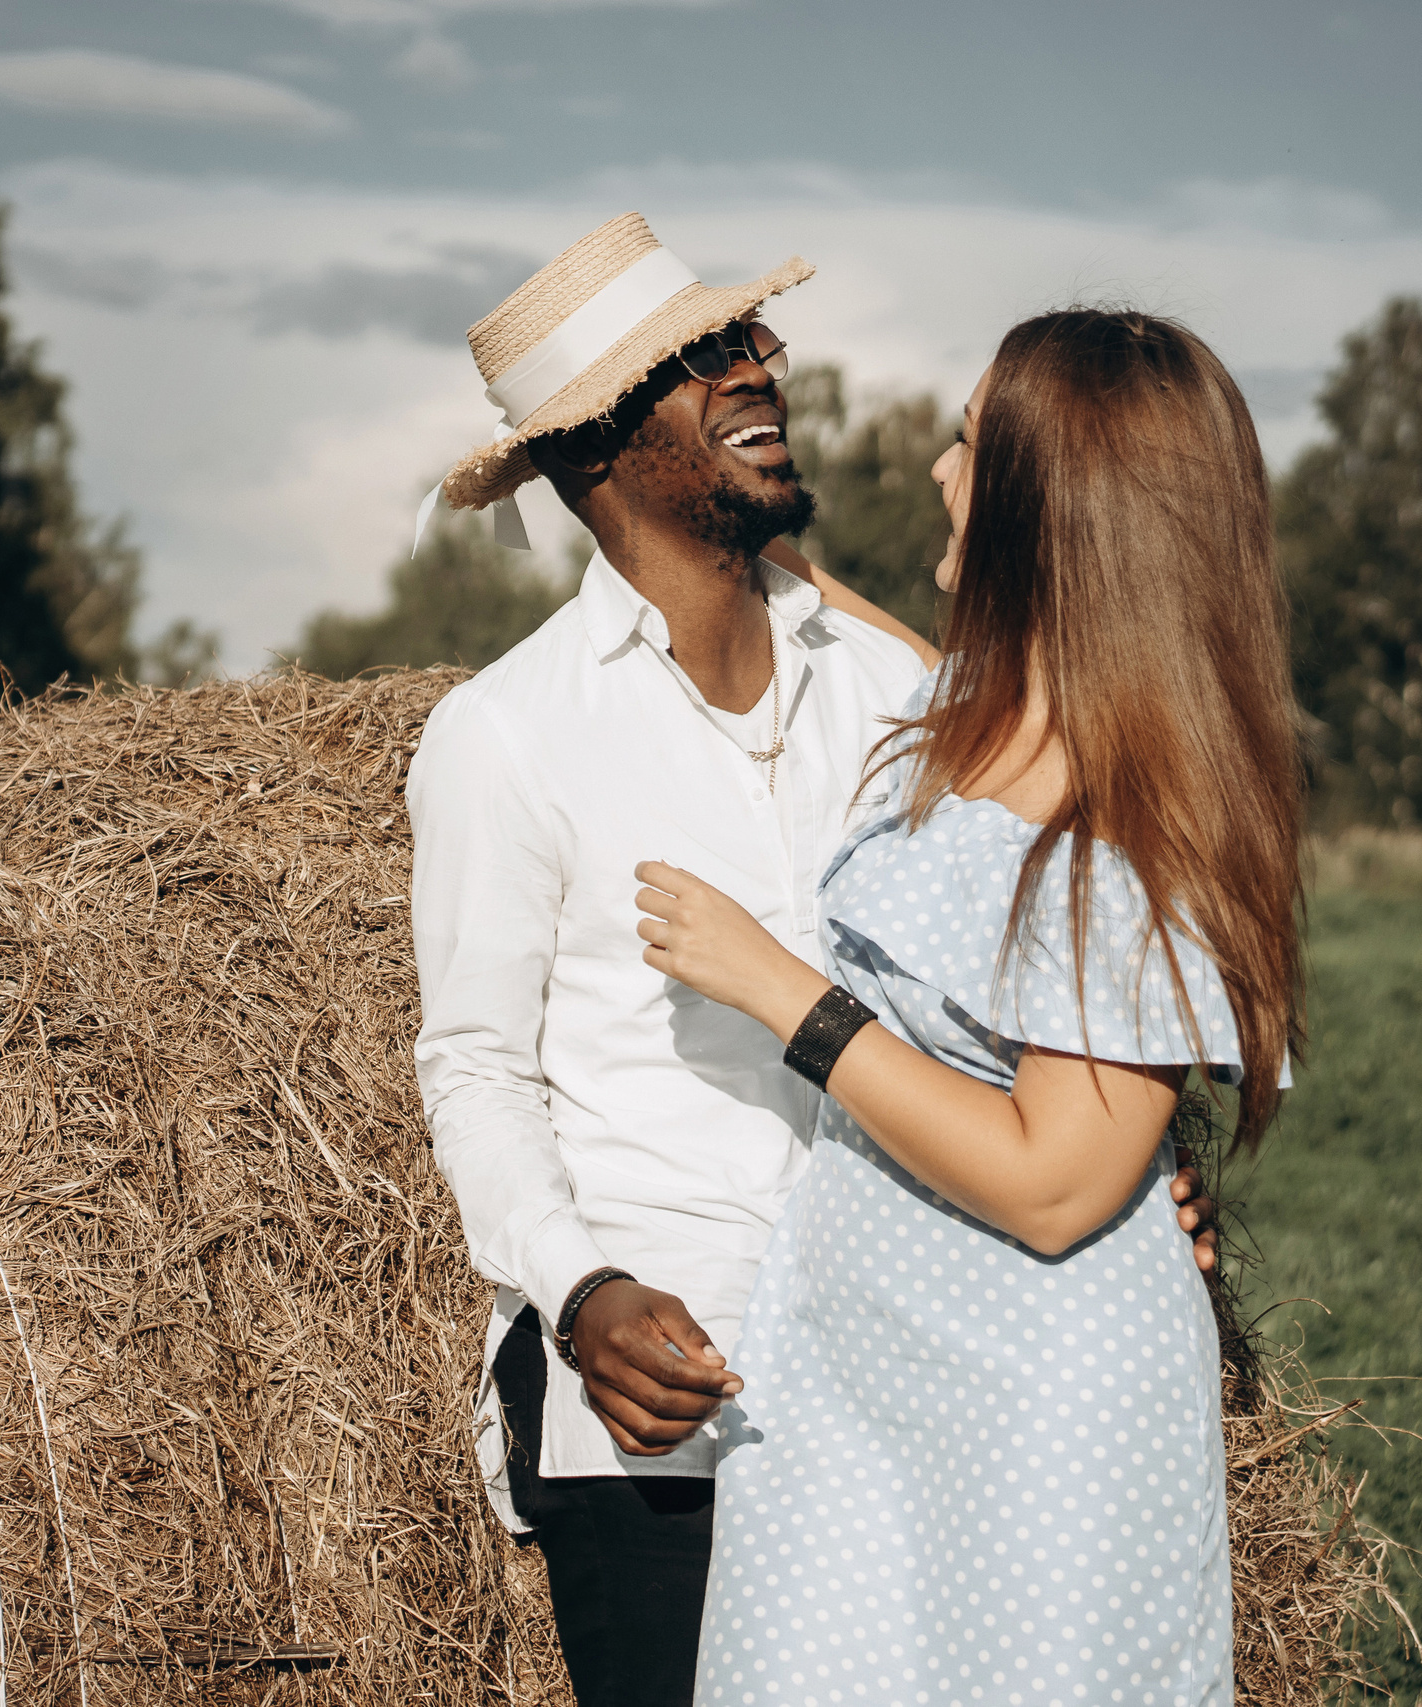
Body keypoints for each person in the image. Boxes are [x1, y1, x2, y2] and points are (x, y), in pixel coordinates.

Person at [406, 216, 1222, 1707]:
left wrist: (1135, 1161)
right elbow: (471, 1071)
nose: (758, 362)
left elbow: (1045, 961)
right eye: (700, 358)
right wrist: (581, 1296)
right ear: (595, 444)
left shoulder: (905, 693)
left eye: (749, 336)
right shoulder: (506, 735)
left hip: (920, 1385)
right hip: (668, 1402)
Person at [632, 308, 1303, 1705]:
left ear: (1061, 507)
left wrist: (784, 993)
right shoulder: (974, 712)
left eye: (972, 443)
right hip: (864, 1381)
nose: (941, 471)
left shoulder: (1136, 819)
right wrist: (698, 498)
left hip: (1035, 1416)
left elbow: (1058, 1187)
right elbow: (836, 601)